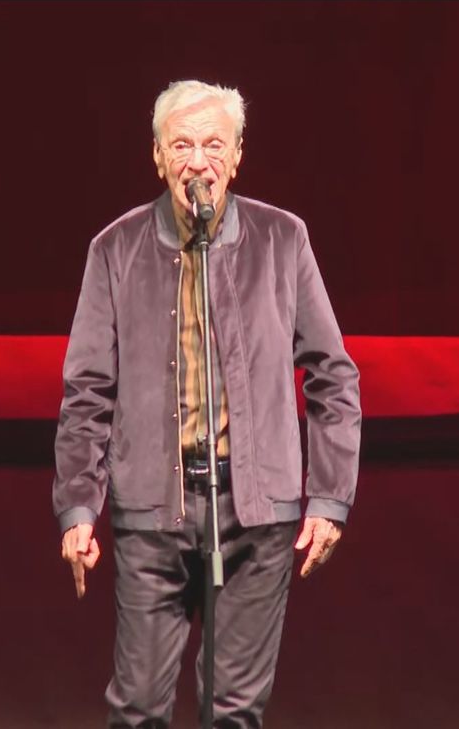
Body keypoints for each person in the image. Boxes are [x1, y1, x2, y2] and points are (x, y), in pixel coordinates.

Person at [52, 79, 361, 728]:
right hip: (152, 513)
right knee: (137, 708)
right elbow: (87, 394)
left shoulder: (283, 240)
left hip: (256, 516)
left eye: (214, 144)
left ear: (238, 155)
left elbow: (333, 374)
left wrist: (329, 497)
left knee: (234, 713)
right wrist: (80, 504)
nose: (199, 160)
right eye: (183, 144)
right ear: (158, 157)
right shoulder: (115, 250)